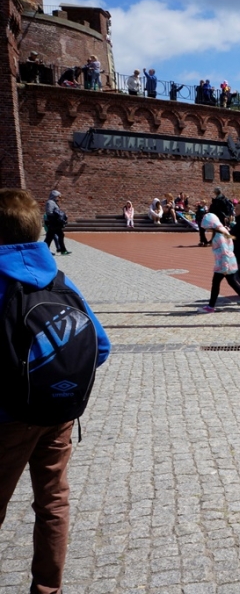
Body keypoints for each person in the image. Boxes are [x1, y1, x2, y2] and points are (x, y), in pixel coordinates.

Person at [0, 188, 111, 594]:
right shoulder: (62, 281)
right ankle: (48, 589)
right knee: (52, 503)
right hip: (58, 414)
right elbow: (101, 347)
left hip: (8, 419)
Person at [197, 212, 240, 313]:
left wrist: (225, 267)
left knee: (217, 284)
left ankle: (211, 306)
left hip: (223, 264)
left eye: (207, 227)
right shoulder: (223, 232)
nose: (206, 229)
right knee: (232, 282)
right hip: (226, 262)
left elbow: (225, 252)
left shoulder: (219, 235)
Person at [43, 190, 70, 255]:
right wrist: (58, 215)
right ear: (54, 196)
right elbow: (49, 212)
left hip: (55, 223)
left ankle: (61, 250)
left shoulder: (53, 202)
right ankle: (62, 250)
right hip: (53, 223)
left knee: (51, 237)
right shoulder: (50, 202)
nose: (59, 198)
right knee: (51, 237)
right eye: (58, 196)